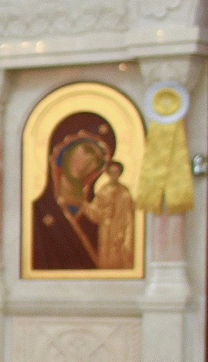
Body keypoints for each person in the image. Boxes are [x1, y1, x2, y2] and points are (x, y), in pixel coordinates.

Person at [29, 113, 112, 270]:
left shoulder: (98, 217)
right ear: (64, 148)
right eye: (86, 150)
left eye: (97, 160)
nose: (89, 162)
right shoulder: (36, 213)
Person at [84, 158, 137, 272]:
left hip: (121, 231)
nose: (114, 175)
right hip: (106, 231)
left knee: (122, 258)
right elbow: (95, 213)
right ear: (107, 173)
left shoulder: (125, 193)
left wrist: (128, 235)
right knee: (106, 260)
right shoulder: (103, 191)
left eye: (116, 172)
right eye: (111, 173)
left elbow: (129, 216)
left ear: (120, 173)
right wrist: (84, 205)